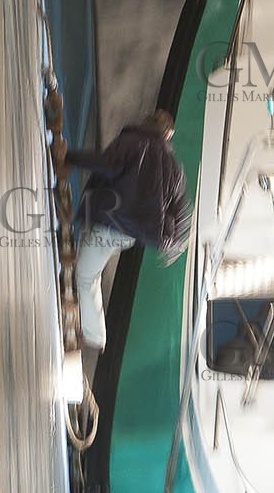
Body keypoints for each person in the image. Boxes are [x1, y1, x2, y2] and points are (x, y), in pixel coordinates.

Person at [52, 109, 190, 352]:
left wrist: (69, 156)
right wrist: (172, 244)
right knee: (87, 267)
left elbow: (104, 164)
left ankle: (95, 336)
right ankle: (83, 325)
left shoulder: (131, 142)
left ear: (146, 122)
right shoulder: (173, 168)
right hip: (127, 235)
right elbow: (178, 212)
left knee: (85, 277)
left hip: (109, 223)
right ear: (169, 134)